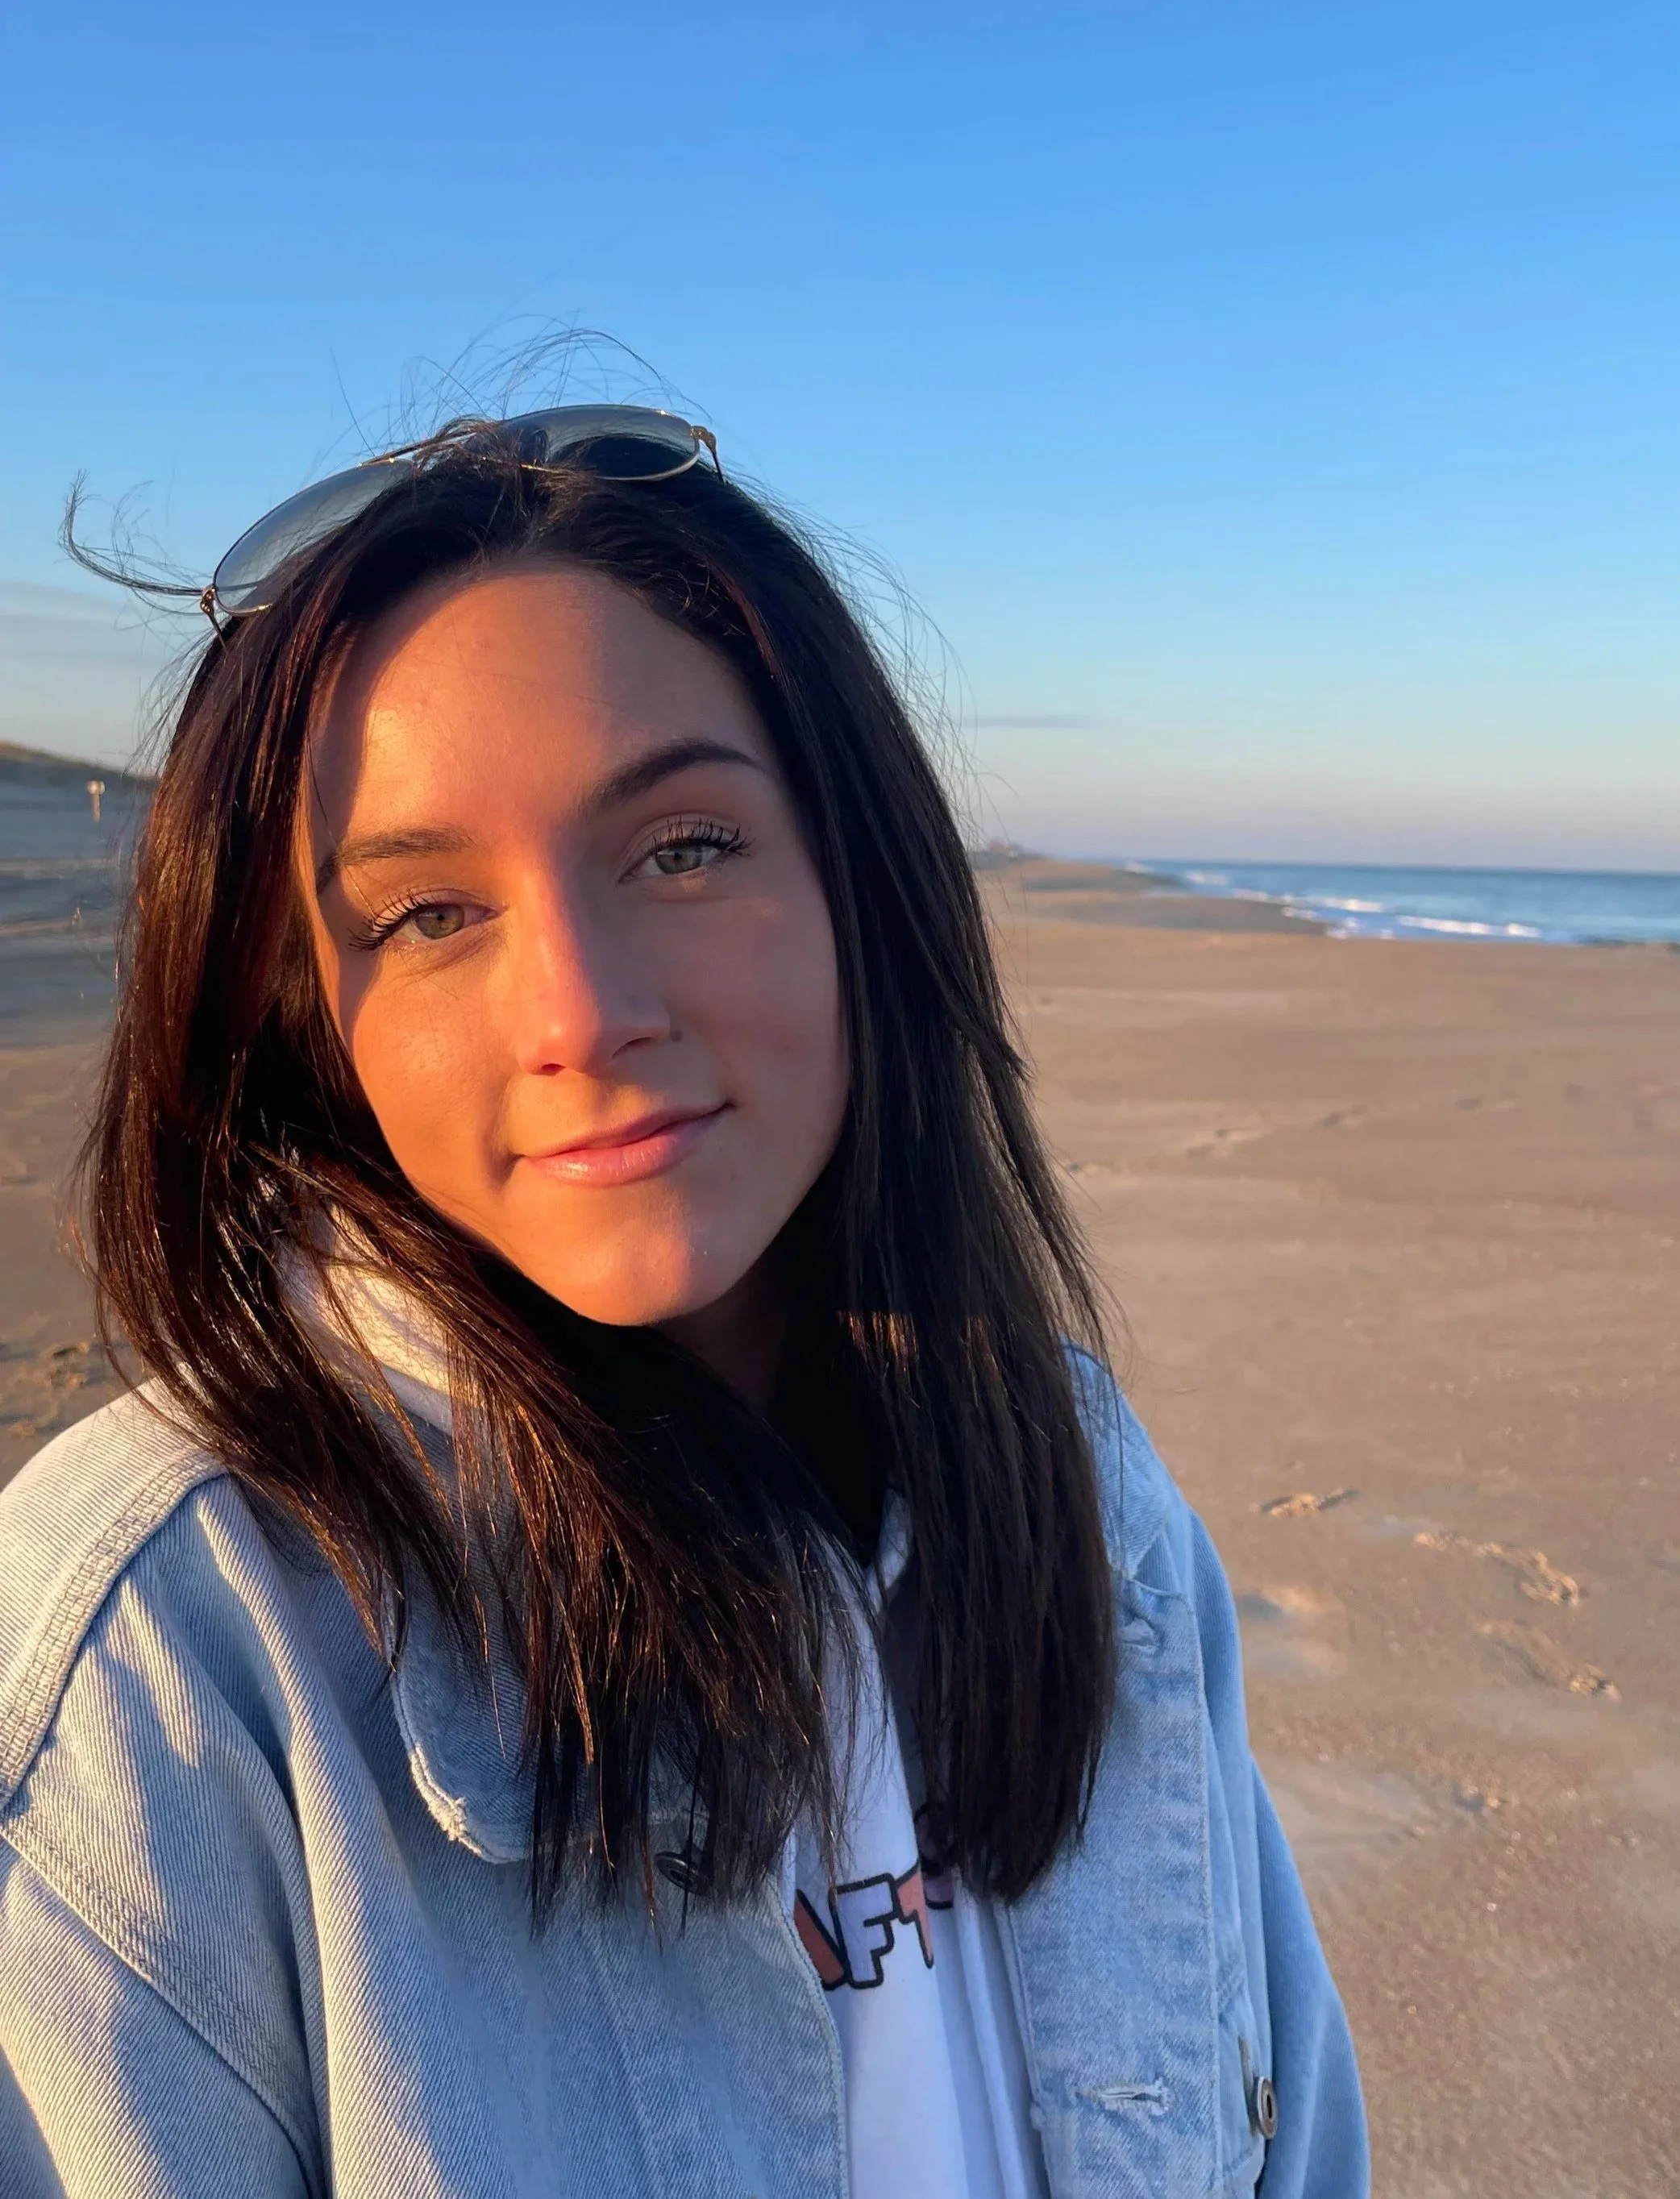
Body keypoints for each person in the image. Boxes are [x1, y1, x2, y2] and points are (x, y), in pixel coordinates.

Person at [0, 405, 1368, 2198]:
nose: (580, 1012)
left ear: (855, 878)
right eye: (423, 916)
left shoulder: (1082, 1489)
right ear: (297, 1017)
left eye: (683, 850)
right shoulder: (168, 1661)